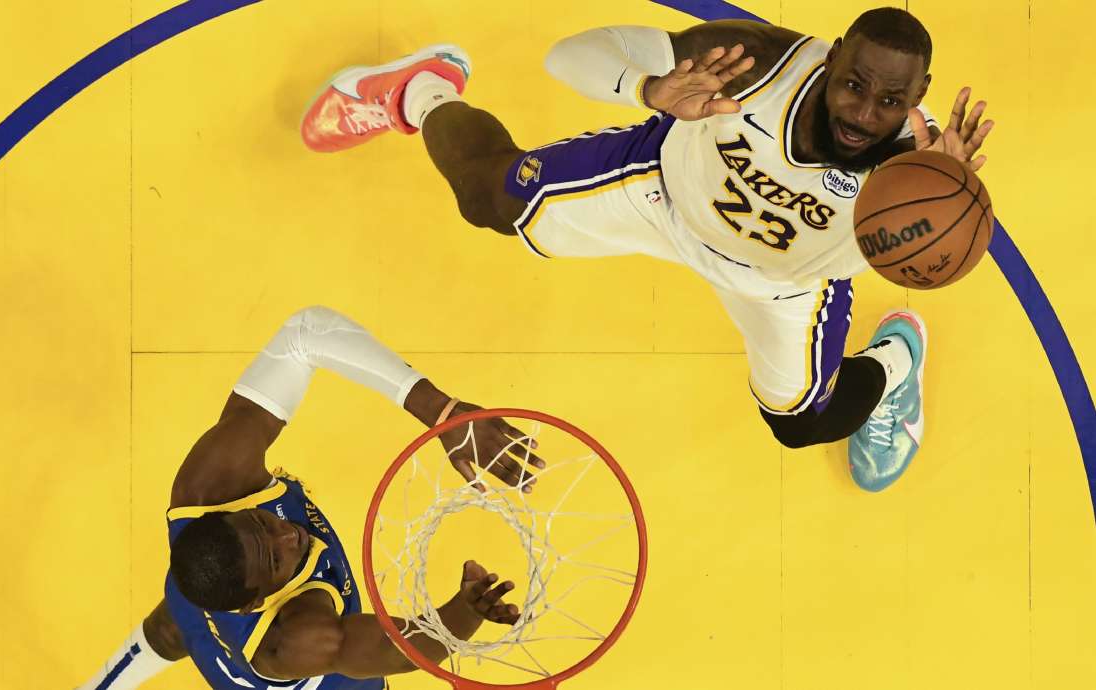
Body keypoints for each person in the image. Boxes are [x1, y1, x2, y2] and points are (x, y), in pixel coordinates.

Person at [300, 8, 994, 491]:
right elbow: (568, 56)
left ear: (920, 95)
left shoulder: (921, 169)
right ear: (834, 53)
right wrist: (650, 88)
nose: (863, 114)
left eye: (890, 100)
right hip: (663, 194)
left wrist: (946, 192)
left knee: (802, 423)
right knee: (488, 198)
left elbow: (927, 252)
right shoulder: (755, 61)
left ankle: (897, 361)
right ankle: (421, 91)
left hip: (781, 287)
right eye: (853, 85)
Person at [75, 306, 540, 690]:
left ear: (220, 516)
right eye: (276, 559)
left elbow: (304, 333)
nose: (289, 535)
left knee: (174, 623)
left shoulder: (209, 487)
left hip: (214, 601)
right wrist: (467, 610)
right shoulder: (300, 638)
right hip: (302, 676)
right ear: (250, 603)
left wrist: (441, 411)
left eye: (262, 524)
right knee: (177, 623)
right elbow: (398, 649)